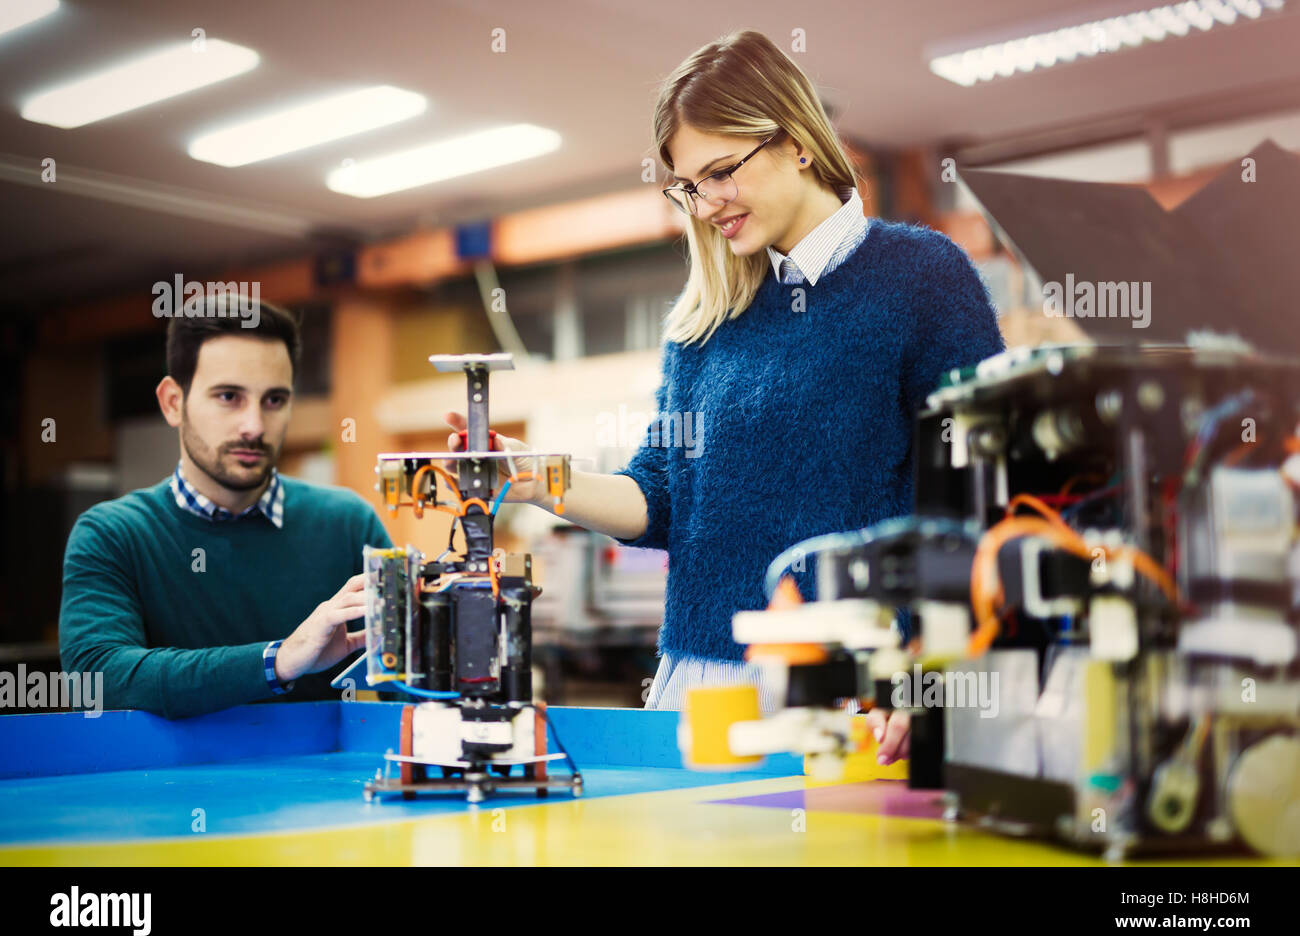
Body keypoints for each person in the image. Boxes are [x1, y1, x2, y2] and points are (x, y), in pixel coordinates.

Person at [447, 30, 1005, 766]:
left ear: (797, 142)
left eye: (721, 173)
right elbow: (661, 498)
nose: (706, 204)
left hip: (858, 689)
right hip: (703, 688)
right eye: (687, 187)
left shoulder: (920, 276)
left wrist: (933, 666)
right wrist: (533, 477)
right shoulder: (706, 317)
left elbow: (979, 495)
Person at [59, 299, 393, 718]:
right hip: (168, 783)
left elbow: (414, 682)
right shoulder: (112, 535)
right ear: (172, 402)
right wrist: (279, 660)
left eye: (274, 400)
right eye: (229, 396)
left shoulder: (346, 523)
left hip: (324, 782)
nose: (254, 425)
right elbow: (97, 676)